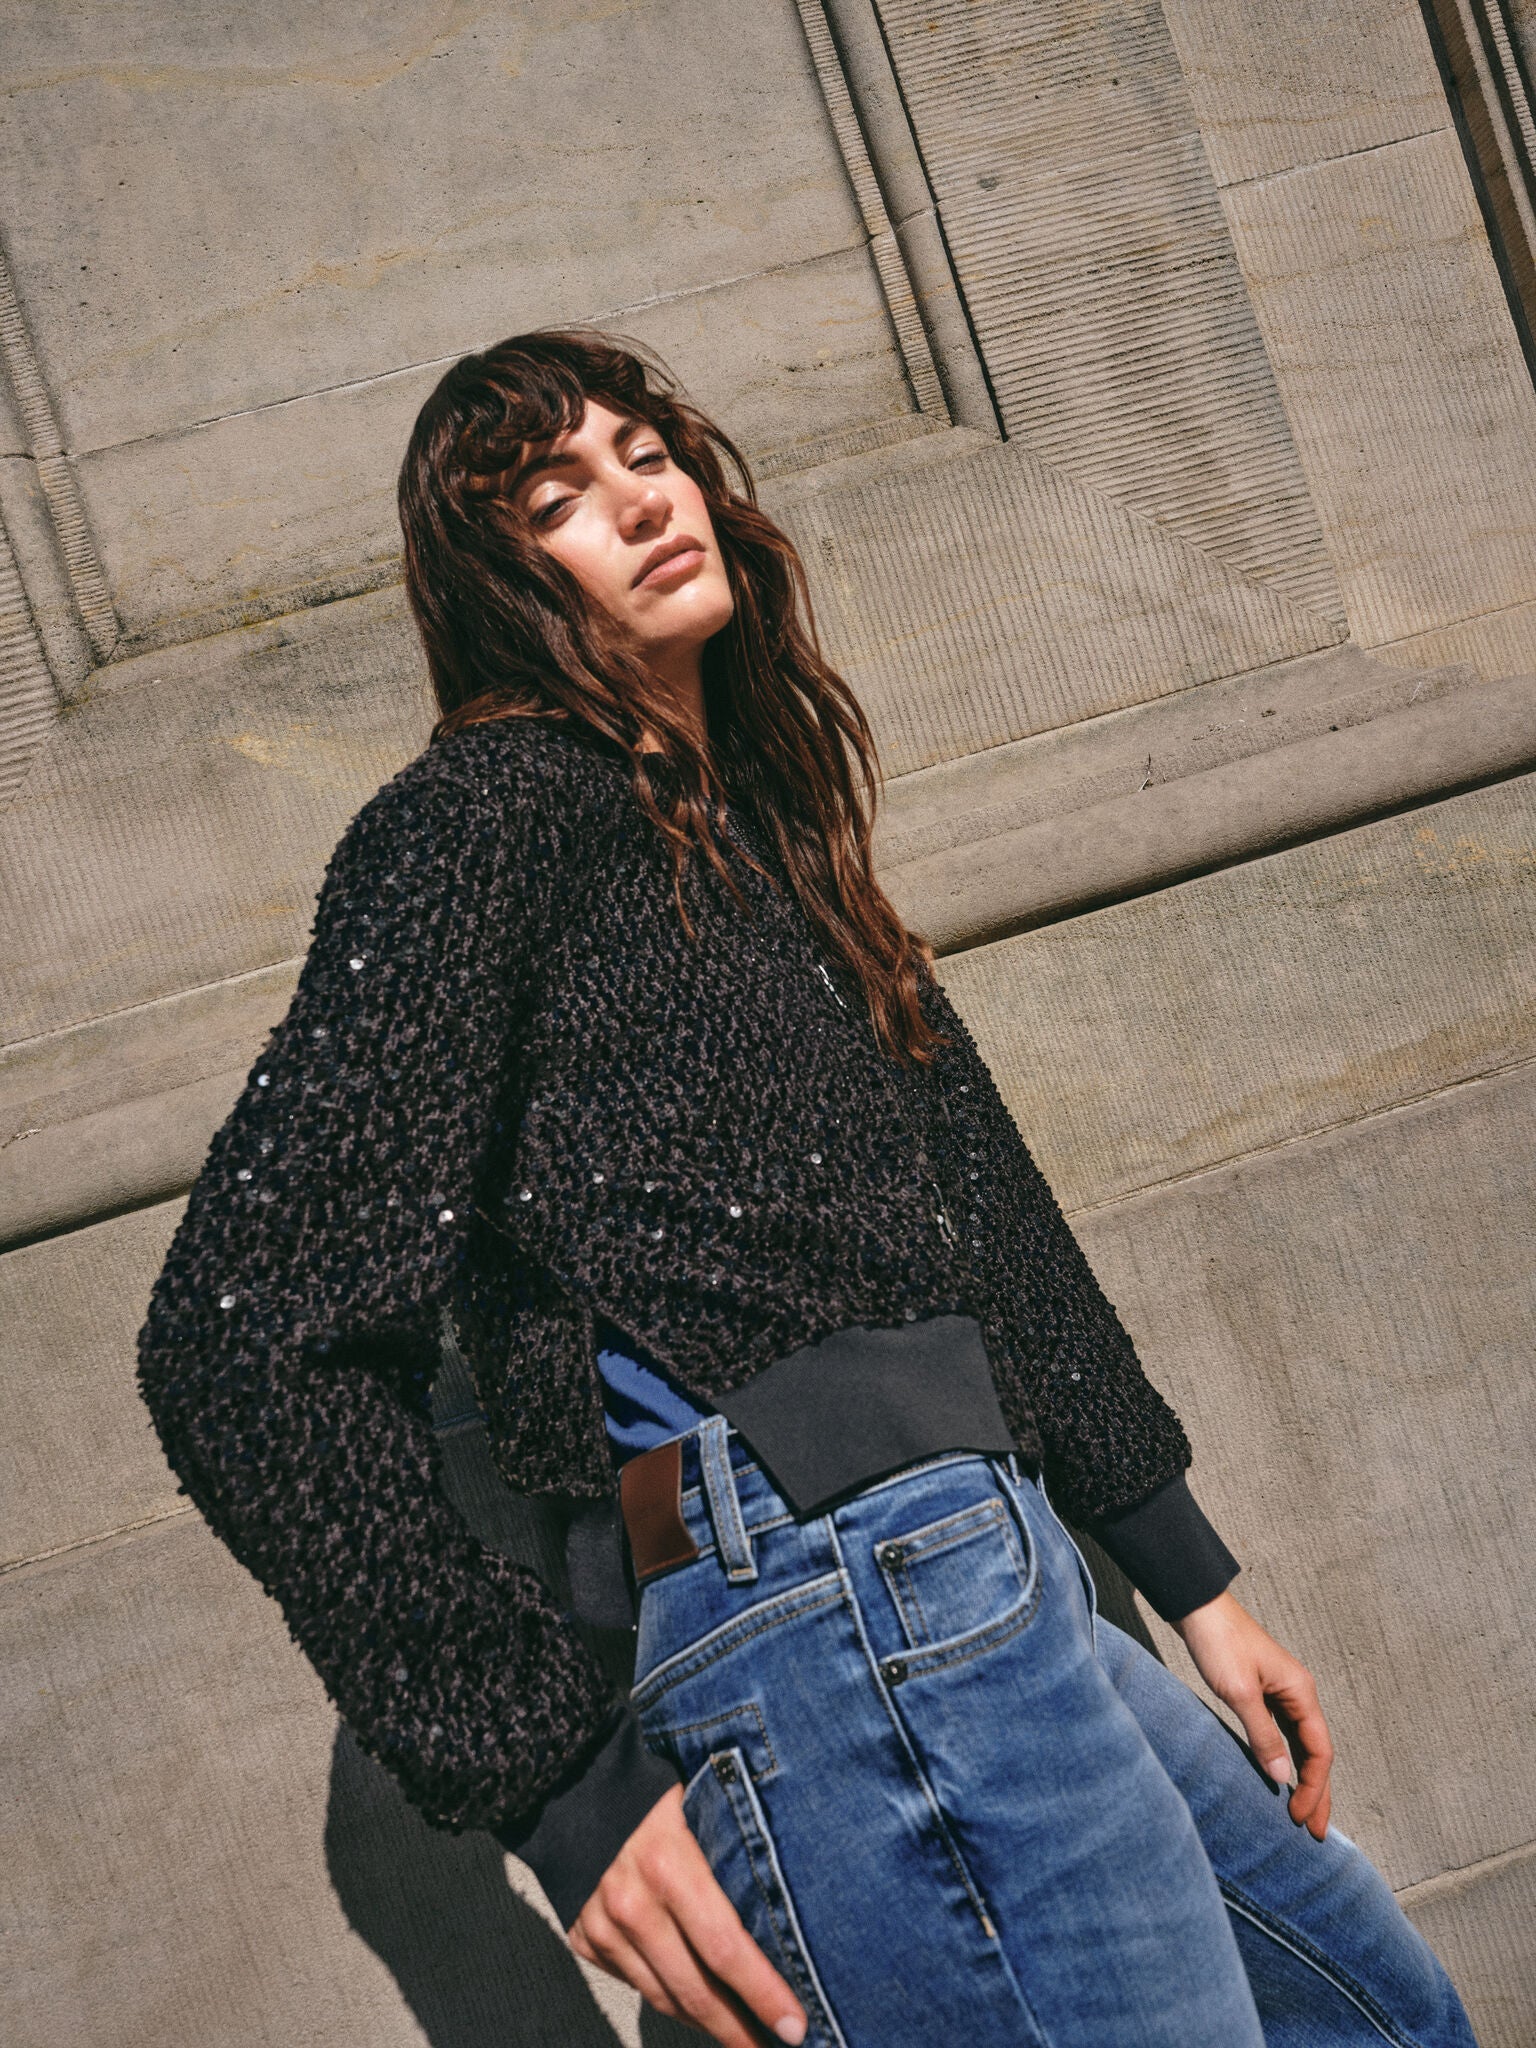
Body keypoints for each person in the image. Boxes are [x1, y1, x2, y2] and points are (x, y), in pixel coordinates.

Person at [137, 330, 1477, 2048]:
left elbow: (985, 1211)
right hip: (828, 1607)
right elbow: (242, 1338)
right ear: (498, 583)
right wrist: (555, 1781)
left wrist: (1192, 1579)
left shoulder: (760, 831)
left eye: (648, 457)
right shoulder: (489, 816)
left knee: (1388, 2021)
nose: (640, 502)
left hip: (988, 1572)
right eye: (560, 499)